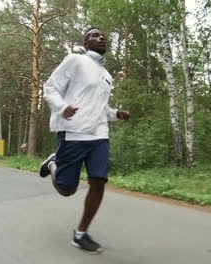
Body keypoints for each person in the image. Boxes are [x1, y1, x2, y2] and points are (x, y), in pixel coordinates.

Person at [39, 28, 130, 254]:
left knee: (99, 182)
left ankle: (81, 234)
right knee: (66, 189)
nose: (102, 38)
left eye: (104, 36)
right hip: (73, 132)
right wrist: (62, 108)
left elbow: (101, 109)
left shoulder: (107, 76)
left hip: (99, 135)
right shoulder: (75, 61)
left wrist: (116, 114)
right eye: (96, 35)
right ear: (86, 43)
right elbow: (50, 88)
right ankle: (52, 163)